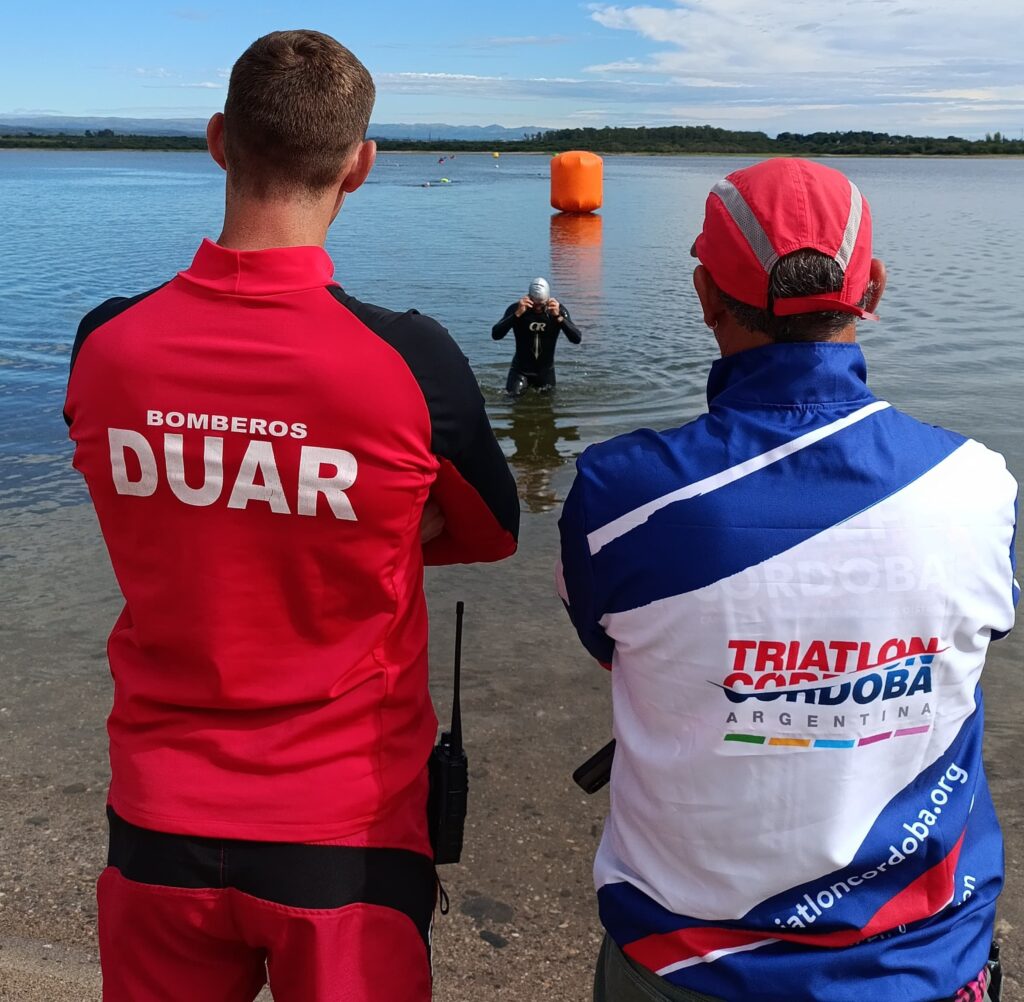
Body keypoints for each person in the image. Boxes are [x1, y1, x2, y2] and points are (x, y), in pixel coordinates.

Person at [64, 29, 519, 1002]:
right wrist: (353, 519)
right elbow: (490, 533)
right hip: (345, 832)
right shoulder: (411, 363)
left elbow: (131, 490)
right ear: (361, 166)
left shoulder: (105, 347)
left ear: (218, 141)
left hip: (156, 817)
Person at [557, 158, 1015, 1002]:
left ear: (703, 296)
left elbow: (617, 654)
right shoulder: (979, 486)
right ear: (872, 288)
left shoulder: (618, 497)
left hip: (683, 963)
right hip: (914, 962)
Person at [492, 276, 581, 396]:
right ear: (528, 298)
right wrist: (516, 315)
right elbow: (496, 335)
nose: (538, 308)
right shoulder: (517, 309)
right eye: (534, 304)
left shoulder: (557, 311)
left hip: (546, 373)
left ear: (548, 299)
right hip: (520, 371)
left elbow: (576, 338)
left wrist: (559, 318)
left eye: (541, 305)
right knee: (510, 402)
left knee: (547, 408)